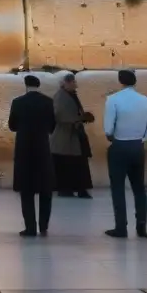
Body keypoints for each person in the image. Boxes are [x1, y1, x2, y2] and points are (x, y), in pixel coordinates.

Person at [103, 70, 147, 238]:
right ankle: (141, 226)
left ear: (120, 81)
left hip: (119, 146)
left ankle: (121, 226)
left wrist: (113, 136)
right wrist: (141, 138)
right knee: (139, 188)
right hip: (137, 146)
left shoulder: (113, 100)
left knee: (118, 188)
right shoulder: (145, 100)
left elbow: (108, 128)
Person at [10, 74, 56, 236]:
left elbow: (12, 125)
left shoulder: (17, 102)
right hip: (42, 149)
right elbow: (52, 126)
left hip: (24, 149)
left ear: (26, 85)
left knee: (26, 191)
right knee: (45, 190)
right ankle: (44, 226)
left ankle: (30, 227)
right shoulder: (48, 102)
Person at [50, 71, 94, 199]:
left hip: (74, 136)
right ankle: (66, 189)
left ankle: (79, 189)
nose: (75, 84)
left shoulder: (70, 95)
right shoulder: (61, 96)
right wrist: (79, 118)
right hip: (65, 138)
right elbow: (59, 114)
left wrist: (81, 118)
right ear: (66, 83)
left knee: (78, 164)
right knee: (67, 164)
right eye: (73, 82)